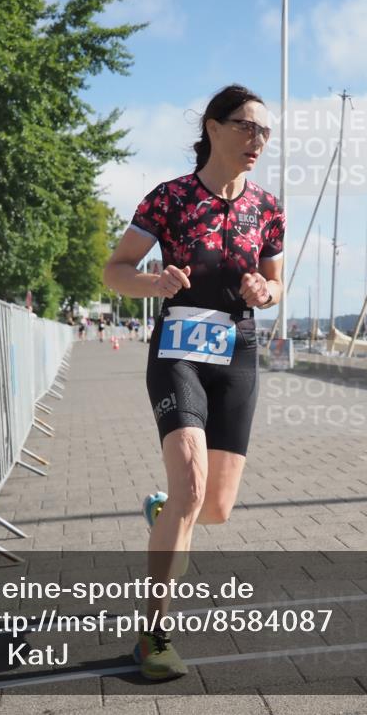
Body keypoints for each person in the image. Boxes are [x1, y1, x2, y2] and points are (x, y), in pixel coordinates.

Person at [103, 84, 283, 680]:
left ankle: (166, 514)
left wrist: (266, 292)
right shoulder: (171, 199)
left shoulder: (268, 208)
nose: (256, 140)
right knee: (190, 484)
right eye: (245, 127)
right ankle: (154, 636)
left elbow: (275, 285)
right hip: (179, 350)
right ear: (211, 127)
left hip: (238, 352)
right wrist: (152, 284)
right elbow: (115, 270)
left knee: (216, 508)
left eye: (264, 131)